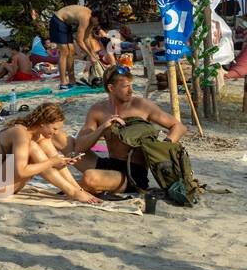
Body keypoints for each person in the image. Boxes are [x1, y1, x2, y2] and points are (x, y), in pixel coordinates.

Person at [72, 64, 187, 195]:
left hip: (132, 174)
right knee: (64, 142)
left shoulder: (142, 106)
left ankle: (74, 186)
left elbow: (179, 127)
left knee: (89, 177)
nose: (131, 90)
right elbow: (79, 148)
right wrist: (103, 128)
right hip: (109, 165)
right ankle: (87, 185)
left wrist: (163, 147)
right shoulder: (98, 110)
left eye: (131, 85)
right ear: (111, 88)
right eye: (126, 86)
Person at [0, 103, 99, 203]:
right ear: (42, 123)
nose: (56, 133)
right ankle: (71, 192)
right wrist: (52, 162)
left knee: (43, 144)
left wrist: (78, 187)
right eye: (54, 128)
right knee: (33, 146)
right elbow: (21, 171)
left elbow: (55, 160)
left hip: (8, 186)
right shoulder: (20, 133)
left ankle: (75, 191)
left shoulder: (40, 136)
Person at [48, 5, 100, 88]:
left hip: (66, 23)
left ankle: (72, 81)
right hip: (58, 20)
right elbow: (79, 40)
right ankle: (63, 82)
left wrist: (92, 53)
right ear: (95, 17)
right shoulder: (86, 18)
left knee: (71, 51)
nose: (97, 25)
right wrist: (90, 56)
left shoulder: (92, 22)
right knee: (64, 51)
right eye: (98, 22)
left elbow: (86, 39)